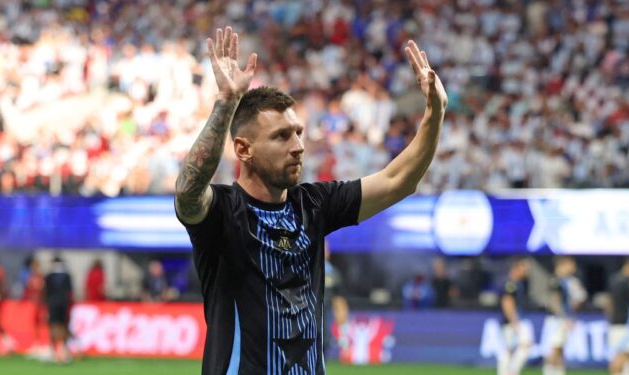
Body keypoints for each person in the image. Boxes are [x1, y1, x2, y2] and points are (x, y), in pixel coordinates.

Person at [174, 26, 446, 375]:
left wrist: (435, 113)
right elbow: (187, 190)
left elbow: (398, 181)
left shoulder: (314, 204)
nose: (298, 146)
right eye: (282, 136)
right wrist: (226, 103)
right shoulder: (222, 213)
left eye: (298, 133)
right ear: (244, 149)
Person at [543, 256, 584, 375]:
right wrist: (564, 318)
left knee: (560, 350)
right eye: (571, 264)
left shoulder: (570, 281)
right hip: (557, 320)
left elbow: (576, 302)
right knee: (554, 349)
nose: (573, 268)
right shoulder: (556, 281)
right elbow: (555, 303)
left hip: (564, 319)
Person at [498, 257, 532, 375]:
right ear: (516, 268)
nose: (526, 271)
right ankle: (511, 372)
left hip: (514, 320)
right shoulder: (511, 284)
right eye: (524, 268)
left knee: (511, 349)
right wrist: (514, 320)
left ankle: (509, 372)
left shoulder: (519, 283)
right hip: (511, 321)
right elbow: (507, 302)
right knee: (519, 346)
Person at [44, 255, 74, 363]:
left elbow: (46, 291)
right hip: (63, 304)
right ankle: (63, 350)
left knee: (53, 325)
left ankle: (54, 350)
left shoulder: (49, 276)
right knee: (63, 325)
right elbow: (70, 291)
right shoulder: (67, 276)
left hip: (52, 303)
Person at [323, 242, 349, 358]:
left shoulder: (333, 273)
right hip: (306, 310)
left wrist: (342, 323)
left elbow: (339, 299)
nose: (325, 251)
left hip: (325, 312)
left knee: (325, 340)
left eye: (326, 248)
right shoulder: (305, 267)